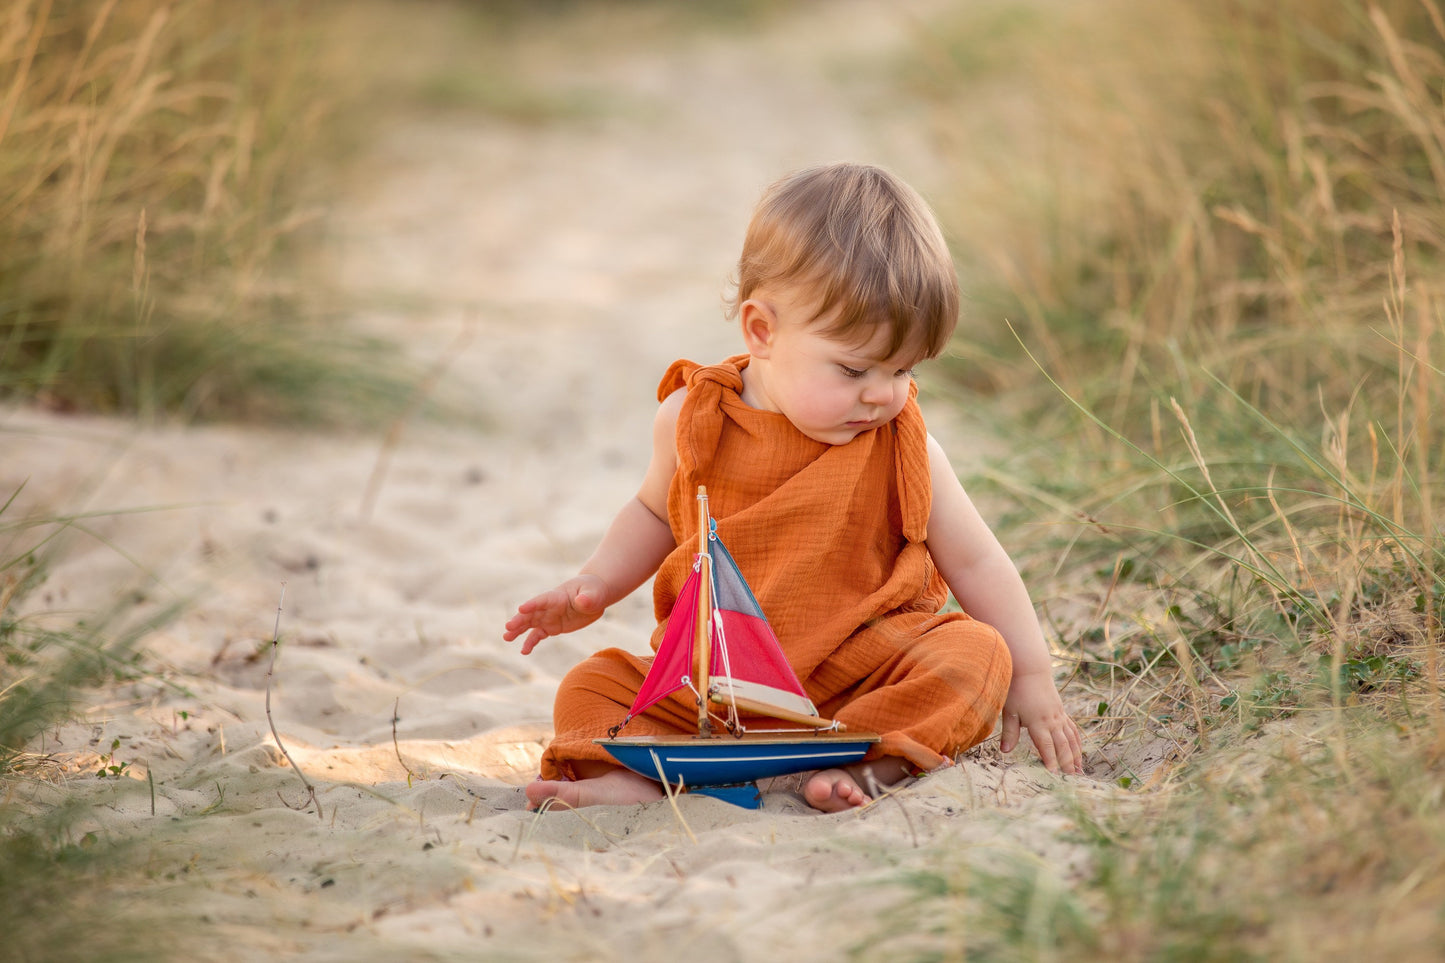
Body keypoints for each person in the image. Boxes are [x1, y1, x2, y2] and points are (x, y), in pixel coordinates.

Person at [503, 162, 1083, 812]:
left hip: (864, 674)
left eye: (902, 367)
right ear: (761, 330)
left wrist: (1032, 676)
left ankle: (871, 764)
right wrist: (594, 585)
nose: (882, 393)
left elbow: (977, 561)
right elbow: (652, 512)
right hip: (718, 680)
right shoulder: (693, 420)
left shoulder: (904, 441)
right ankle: (636, 778)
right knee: (590, 685)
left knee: (976, 654)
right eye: (854, 367)